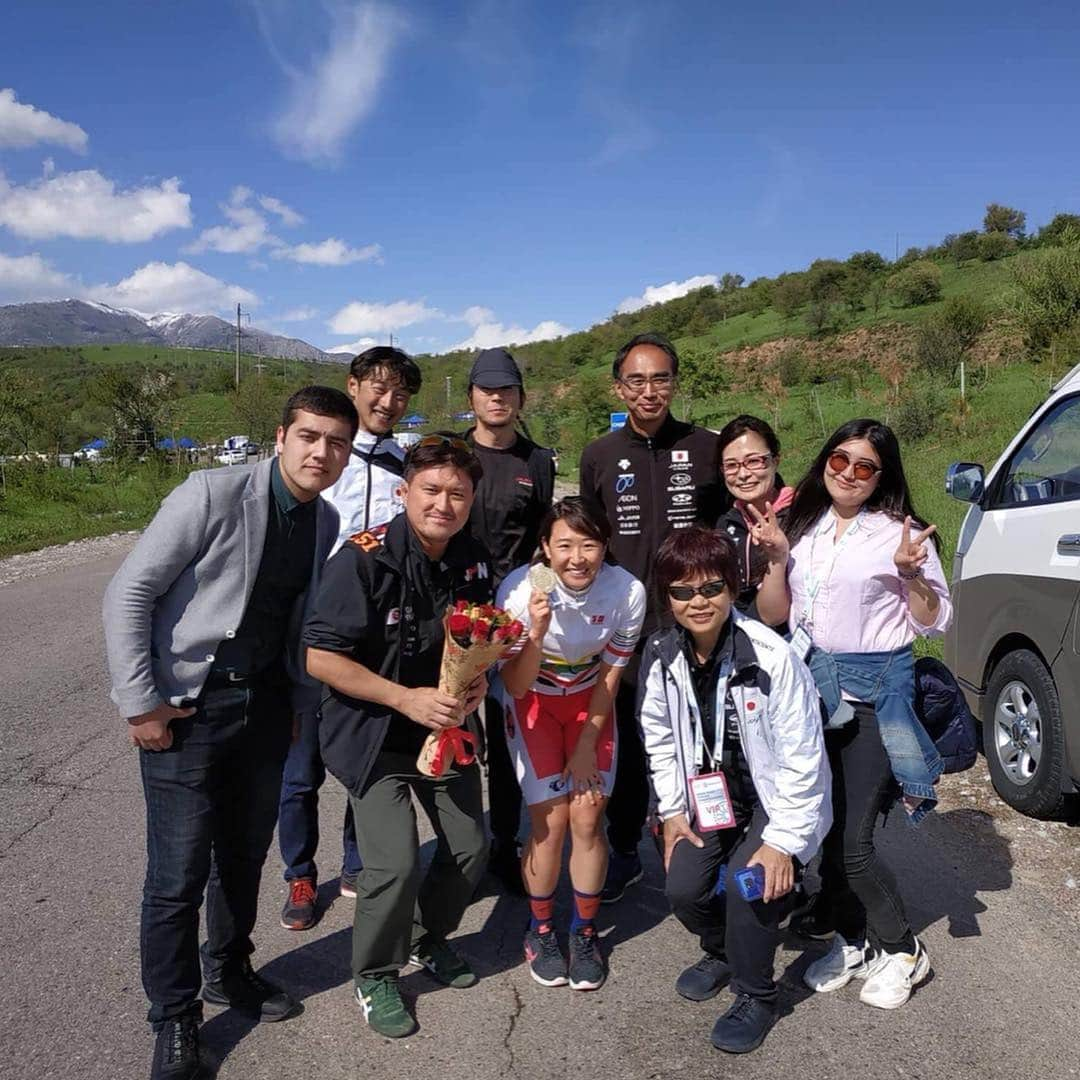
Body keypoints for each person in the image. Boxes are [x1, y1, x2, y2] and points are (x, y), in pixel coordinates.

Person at [102, 386, 356, 1080]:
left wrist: (301, 703)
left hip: (268, 712)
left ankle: (229, 970)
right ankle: (176, 1018)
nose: (321, 452)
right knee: (177, 875)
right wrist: (140, 703)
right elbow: (131, 592)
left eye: (336, 442)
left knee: (244, 858)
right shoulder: (211, 495)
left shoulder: (324, 520)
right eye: (309, 436)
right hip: (187, 712)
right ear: (281, 437)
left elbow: (297, 616)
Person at [303, 434, 493, 1039]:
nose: (444, 504)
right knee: (394, 863)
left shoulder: (473, 559)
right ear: (403, 491)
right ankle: (376, 974)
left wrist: (477, 684)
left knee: (469, 848)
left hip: (443, 727)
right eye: (432, 490)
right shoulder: (361, 558)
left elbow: (481, 639)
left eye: (457, 494)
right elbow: (319, 658)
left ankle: (424, 938)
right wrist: (404, 698)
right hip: (376, 731)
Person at [639, 525, 831, 1054]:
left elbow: (803, 759)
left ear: (732, 588)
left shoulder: (771, 657)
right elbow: (658, 739)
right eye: (682, 590)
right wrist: (673, 811)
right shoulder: (662, 655)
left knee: (751, 884)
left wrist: (784, 842)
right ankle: (724, 951)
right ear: (667, 596)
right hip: (711, 796)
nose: (698, 601)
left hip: (774, 802)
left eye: (711, 588)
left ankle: (758, 992)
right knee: (682, 887)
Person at [780, 419, 951, 1010]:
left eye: (864, 466)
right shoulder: (805, 526)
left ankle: (903, 948)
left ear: (882, 476)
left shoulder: (898, 535)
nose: (848, 474)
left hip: (875, 692)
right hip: (810, 689)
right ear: (824, 461)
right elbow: (786, 610)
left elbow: (934, 619)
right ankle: (853, 941)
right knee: (823, 830)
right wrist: (777, 558)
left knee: (854, 842)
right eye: (839, 460)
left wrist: (911, 575)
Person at [278, 345, 422, 932]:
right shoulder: (323, 461)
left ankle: (360, 864)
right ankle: (300, 873)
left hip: (378, 643)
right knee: (300, 767)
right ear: (354, 385)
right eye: (377, 388)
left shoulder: (406, 465)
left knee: (369, 757)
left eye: (400, 393)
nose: (388, 402)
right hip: (314, 638)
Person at [578, 332, 725, 902]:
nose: (649, 390)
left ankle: (705, 840)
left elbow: (747, 510)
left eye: (660, 378)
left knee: (703, 735)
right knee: (634, 741)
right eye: (636, 380)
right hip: (627, 628)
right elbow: (582, 541)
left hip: (698, 619)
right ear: (619, 387)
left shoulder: (707, 447)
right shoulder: (598, 455)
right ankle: (624, 847)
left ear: (674, 383)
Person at [497, 498, 646, 990]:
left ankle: (584, 931)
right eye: (563, 545)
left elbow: (611, 672)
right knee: (551, 821)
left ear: (605, 546)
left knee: (587, 816)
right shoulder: (520, 591)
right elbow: (516, 686)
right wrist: (536, 630)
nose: (577, 558)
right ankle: (540, 929)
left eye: (589, 545)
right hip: (534, 702)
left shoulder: (626, 591)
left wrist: (588, 742)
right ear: (545, 548)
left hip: (590, 701)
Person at [463, 346, 556, 894]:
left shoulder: (537, 461)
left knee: (507, 737)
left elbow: (544, 546)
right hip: (458, 614)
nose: (497, 398)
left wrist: (541, 606)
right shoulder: (451, 455)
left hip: (515, 617)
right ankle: (457, 846)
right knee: (452, 729)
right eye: (487, 389)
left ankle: (504, 844)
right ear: (471, 395)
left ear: (520, 398)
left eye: (507, 390)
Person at [714, 415, 793, 627]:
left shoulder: (803, 515)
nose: (743, 474)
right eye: (731, 465)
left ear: (775, 461)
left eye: (753, 461)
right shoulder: (725, 525)